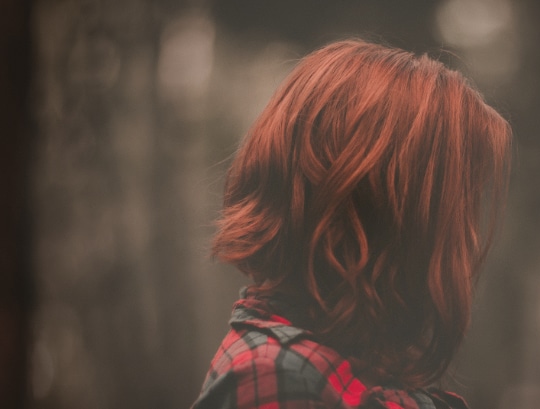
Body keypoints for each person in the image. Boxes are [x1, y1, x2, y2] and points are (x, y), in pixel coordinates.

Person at [191, 39, 512, 409]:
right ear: (387, 214)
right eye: (454, 209)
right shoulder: (281, 381)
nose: (468, 238)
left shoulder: (359, 374)